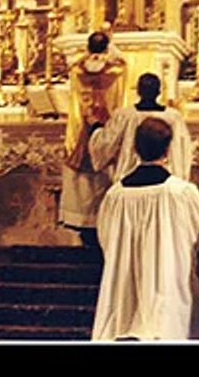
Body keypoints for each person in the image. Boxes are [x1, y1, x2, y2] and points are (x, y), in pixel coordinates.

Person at [92, 118, 199, 341]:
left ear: (135, 148)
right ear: (168, 149)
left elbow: (106, 239)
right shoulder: (182, 192)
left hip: (124, 282)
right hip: (168, 278)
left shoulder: (116, 195)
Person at [60, 31, 127, 248]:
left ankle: (83, 224)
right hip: (105, 129)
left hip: (83, 129)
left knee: (82, 182)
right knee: (103, 177)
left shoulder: (77, 69)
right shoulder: (116, 70)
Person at [90, 72, 193, 184]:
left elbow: (106, 143)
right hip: (166, 181)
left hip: (129, 179)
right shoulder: (174, 117)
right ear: (159, 91)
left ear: (139, 91)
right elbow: (183, 151)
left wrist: (96, 128)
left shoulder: (124, 116)